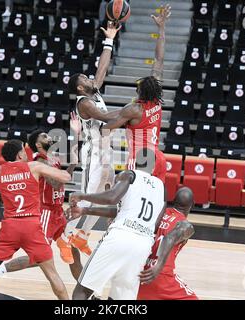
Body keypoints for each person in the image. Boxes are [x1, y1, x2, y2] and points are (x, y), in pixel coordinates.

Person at [0, 140, 71, 300]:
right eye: (24, 151)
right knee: (52, 275)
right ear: (20, 154)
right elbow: (65, 177)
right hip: (32, 226)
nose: (26, 154)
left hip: (10, 227)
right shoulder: (33, 166)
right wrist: (50, 162)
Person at [66, 149, 166, 300]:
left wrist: (81, 195)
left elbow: (112, 198)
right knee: (121, 297)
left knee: (83, 290)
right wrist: (85, 210)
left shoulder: (129, 175)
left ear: (134, 161)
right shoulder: (161, 188)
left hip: (120, 236)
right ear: (153, 167)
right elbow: (154, 223)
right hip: (143, 244)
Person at [0, 112, 84, 280]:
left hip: (57, 212)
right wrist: (70, 167)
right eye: (45, 136)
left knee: (72, 250)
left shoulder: (52, 158)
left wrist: (76, 135)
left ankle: (86, 293)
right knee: (39, 257)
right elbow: (57, 183)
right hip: (46, 213)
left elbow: (67, 170)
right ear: (38, 144)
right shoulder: (40, 161)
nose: (49, 137)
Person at [64, 21, 122, 258]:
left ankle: (81, 236)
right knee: (87, 197)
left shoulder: (93, 91)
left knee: (107, 198)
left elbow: (102, 69)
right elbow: (106, 117)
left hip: (106, 150)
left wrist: (109, 40)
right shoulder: (84, 103)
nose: (90, 78)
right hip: (93, 152)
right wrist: (132, 114)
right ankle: (64, 237)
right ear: (80, 87)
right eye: (85, 79)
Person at [103, 4, 171, 184]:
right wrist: (162, 28)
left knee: (129, 201)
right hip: (158, 158)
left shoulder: (134, 109)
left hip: (140, 160)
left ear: (139, 90)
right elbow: (159, 59)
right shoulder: (157, 101)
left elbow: (107, 128)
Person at [137, 187, 198, 300]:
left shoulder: (157, 213)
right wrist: (159, 265)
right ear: (192, 205)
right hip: (159, 275)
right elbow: (169, 238)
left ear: (174, 200)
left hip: (139, 273)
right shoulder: (185, 225)